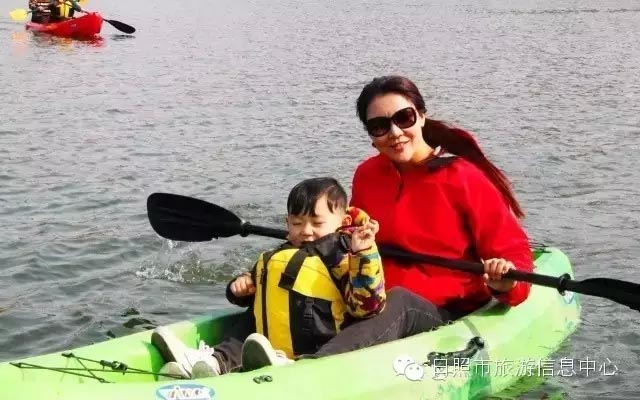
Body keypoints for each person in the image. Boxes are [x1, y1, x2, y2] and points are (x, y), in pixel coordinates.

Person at [303, 75, 535, 357]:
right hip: (370, 297)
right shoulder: (367, 175)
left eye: (404, 118)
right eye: (379, 126)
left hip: (441, 310)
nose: (394, 132)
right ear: (371, 135)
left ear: (421, 116)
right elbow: (349, 239)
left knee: (399, 301)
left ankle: (314, 365)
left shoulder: (463, 177)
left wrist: (506, 283)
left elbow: (514, 254)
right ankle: (255, 352)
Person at [152, 177, 386, 379]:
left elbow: (365, 306)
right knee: (250, 315)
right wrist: (239, 288)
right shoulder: (281, 253)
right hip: (274, 340)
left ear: (344, 223)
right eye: (297, 223)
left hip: (317, 345)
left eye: (317, 223)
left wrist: (364, 254)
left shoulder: (345, 255)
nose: (306, 230)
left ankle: (281, 362)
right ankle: (215, 361)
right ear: (287, 224)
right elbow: (256, 286)